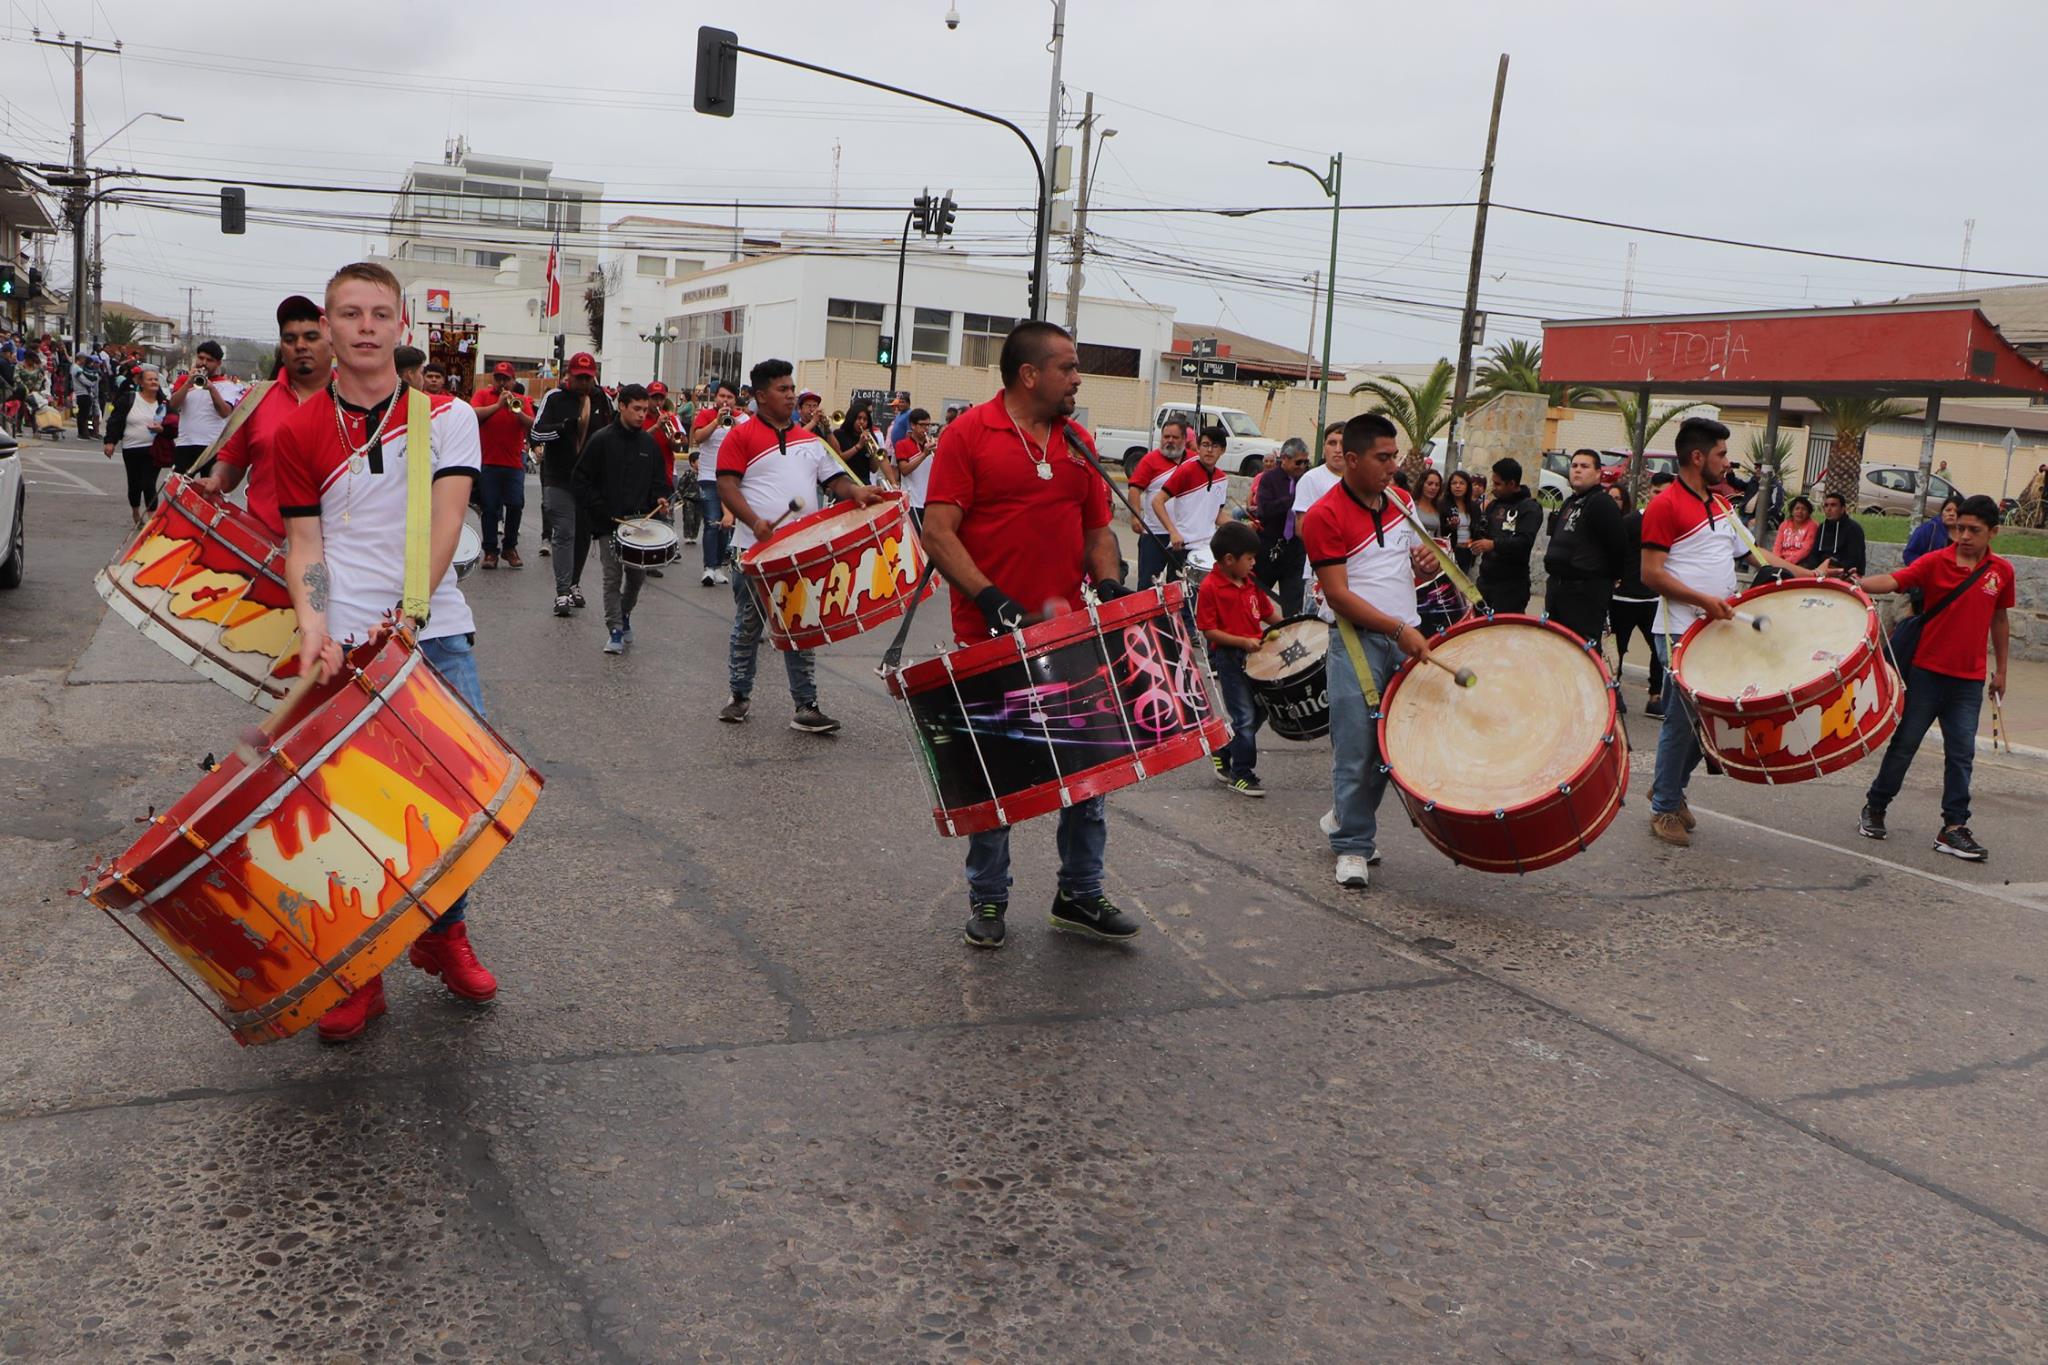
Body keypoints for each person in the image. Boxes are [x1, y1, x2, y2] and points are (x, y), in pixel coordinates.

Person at [271, 261, 495, 1043]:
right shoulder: (295, 429)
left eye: (378, 313)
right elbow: (306, 545)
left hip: (433, 634)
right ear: (325, 330)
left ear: (402, 327)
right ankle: (357, 972)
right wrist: (316, 629)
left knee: (461, 805)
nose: (364, 326)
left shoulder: (448, 416)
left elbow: (446, 522)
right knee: (347, 817)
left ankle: (443, 932)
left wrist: (413, 612)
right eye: (348, 313)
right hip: (346, 644)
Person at [921, 322, 1139, 949]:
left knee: (1088, 774)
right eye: (1068, 367)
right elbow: (938, 531)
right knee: (996, 778)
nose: (1077, 379)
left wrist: (1110, 581)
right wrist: (991, 599)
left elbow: (1098, 528)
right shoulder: (969, 435)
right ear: (1030, 375)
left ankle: (1080, 893)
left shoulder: (1077, 440)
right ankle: (988, 901)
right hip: (988, 641)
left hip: (1068, 633)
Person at [1639, 417, 1830, 848]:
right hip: (1678, 629)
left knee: (1709, 722)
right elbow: (1650, 574)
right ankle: (1665, 805)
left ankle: (1668, 787)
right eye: (1722, 454)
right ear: (1697, 456)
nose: (1727, 463)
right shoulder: (1665, 506)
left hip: (1718, 631)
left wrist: (1813, 576)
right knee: (1683, 720)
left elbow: (1758, 554)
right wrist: (1703, 602)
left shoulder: (1723, 505)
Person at [1299, 413, 1439, 889]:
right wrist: (1398, 629)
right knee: (1357, 748)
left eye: (1394, 455)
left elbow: (1416, 572)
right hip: (1356, 642)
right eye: (1383, 458)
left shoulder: (1400, 501)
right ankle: (1354, 845)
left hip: (1405, 635)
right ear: (1352, 460)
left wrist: (1425, 565)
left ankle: (1345, 815)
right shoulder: (1324, 516)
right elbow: (1337, 595)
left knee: (1392, 749)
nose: (1393, 466)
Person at [716, 359, 881, 733]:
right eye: (783, 389)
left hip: (800, 553)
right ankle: (739, 695)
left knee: (800, 627)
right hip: (754, 552)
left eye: (792, 388)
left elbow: (836, 479)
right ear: (761, 395)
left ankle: (806, 705)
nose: (791, 395)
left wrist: (858, 492)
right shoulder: (740, 436)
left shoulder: (812, 442)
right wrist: (754, 521)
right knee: (748, 626)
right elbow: (727, 485)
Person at [1855, 495, 2011, 860]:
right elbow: (1895, 580)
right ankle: (1875, 807)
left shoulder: (2001, 571)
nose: (1964, 536)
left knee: (1961, 755)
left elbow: (2000, 619)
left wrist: (2001, 671)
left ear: (1993, 532)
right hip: (1926, 674)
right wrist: (1857, 583)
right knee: (1905, 745)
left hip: (1968, 682)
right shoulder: (1935, 562)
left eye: (1974, 530)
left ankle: (1953, 827)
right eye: (1959, 528)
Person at [193, 295, 333, 541]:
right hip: (264, 549)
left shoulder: (355, 402)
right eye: (290, 339)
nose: (300, 345)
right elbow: (233, 461)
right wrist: (217, 479)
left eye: (311, 337)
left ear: (331, 342)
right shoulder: (258, 397)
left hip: (336, 552)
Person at [573, 383, 672, 654]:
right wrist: (599, 509)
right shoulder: (601, 440)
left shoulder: (648, 444)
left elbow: (659, 481)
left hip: (641, 524)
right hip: (609, 523)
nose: (642, 415)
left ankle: (624, 614)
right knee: (611, 577)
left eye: (645, 409)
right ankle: (615, 628)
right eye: (637, 409)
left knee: (637, 578)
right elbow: (580, 480)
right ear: (622, 406)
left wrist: (662, 498)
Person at [1198, 518, 1281, 798]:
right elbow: (1208, 630)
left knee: (1259, 711)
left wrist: (1293, 628)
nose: (1253, 564)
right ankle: (1241, 774)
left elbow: (1269, 613)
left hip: (1257, 658)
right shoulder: (1210, 587)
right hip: (1231, 659)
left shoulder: (1251, 583)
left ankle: (1224, 751)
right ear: (1229, 559)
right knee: (1244, 717)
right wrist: (1242, 641)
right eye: (1249, 558)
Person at [530, 351, 615, 615]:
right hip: (559, 476)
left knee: (582, 534)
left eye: (588, 378)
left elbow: (613, 433)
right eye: (579, 378)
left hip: (589, 480)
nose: (584, 383)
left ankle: (575, 583)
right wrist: (563, 428)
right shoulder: (554, 398)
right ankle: (563, 591)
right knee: (564, 532)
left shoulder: (603, 399)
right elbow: (535, 431)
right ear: (568, 374)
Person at [1542, 449, 1629, 646]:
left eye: (1584, 466)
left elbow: (1618, 545)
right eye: (1574, 466)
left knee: (1580, 652)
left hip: (1584, 595)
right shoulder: (1570, 502)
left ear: (1598, 473)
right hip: (1558, 591)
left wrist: (1612, 576)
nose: (1577, 471)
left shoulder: (1601, 503)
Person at [1606, 483, 1664, 717]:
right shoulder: (1630, 521)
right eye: (1657, 491)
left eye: (1666, 492)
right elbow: (1613, 550)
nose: (1660, 496)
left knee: (1659, 650)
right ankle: (1612, 691)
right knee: (1616, 648)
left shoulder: (1671, 524)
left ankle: (1655, 696)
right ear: (1649, 493)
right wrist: (1614, 577)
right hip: (1623, 598)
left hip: (1654, 599)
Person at [470, 361, 532, 570]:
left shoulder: (522, 400)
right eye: (498, 378)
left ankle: (509, 547)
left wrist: (517, 412)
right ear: (493, 379)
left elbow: (532, 425)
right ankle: (490, 552)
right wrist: (498, 406)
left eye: (506, 378)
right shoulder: (483, 395)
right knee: (489, 508)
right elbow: (472, 415)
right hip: (488, 462)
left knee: (515, 505)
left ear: (513, 381)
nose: (502, 382)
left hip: (514, 464)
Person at [689, 378, 745, 586]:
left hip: (733, 479)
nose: (725, 400)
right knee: (712, 522)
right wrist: (716, 422)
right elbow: (698, 438)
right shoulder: (706, 415)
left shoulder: (744, 418)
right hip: (709, 476)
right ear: (716, 397)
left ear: (735, 399)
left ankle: (720, 566)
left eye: (730, 397)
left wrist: (734, 422)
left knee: (726, 525)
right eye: (722, 396)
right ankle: (708, 568)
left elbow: (747, 442)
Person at [1153, 423, 1232, 568]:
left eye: (1214, 446)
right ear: (1198, 446)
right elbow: (1157, 501)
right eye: (1205, 444)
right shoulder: (1186, 470)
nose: (1209, 450)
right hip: (1183, 546)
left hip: (1208, 550)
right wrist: (1173, 532)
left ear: (1222, 450)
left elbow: (1217, 515)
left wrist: (1241, 528)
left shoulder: (1222, 479)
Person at [1291, 421, 1348, 619]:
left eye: (1343, 443)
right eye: (1332, 443)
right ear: (1323, 447)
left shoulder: (1358, 480)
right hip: (1319, 572)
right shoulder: (1311, 479)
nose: (1338, 450)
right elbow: (1301, 528)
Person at [1124, 417, 1190, 588]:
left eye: (1174, 437)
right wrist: (1135, 517)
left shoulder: (1193, 461)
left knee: (1180, 587)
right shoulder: (1150, 460)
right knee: (1148, 585)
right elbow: (1134, 490)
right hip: (1154, 534)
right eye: (1166, 436)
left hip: (1184, 535)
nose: (1169, 441)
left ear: (1184, 439)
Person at [1469, 457, 1541, 613]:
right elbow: (1481, 534)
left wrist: (1494, 544)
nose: (1493, 488)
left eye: (1498, 484)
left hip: (1511, 587)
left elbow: (1524, 541)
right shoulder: (1493, 505)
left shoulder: (1529, 508)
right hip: (1485, 581)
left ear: (1512, 484)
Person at [102, 364, 169, 526]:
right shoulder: (129, 399)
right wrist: (110, 442)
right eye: (150, 379)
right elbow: (115, 421)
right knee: (135, 484)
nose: (154, 382)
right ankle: (135, 511)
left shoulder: (164, 403)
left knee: (148, 483)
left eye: (156, 379)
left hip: (153, 449)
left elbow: (173, 426)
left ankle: (152, 519)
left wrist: (162, 429)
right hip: (131, 448)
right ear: (141, 382)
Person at [1251, 437, 1310, 616]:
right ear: (1284, 458)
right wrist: (1293, 501)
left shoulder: (1307, 480)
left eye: (1306, 462)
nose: (1302, 466)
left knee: (1293, 605)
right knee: (1254, 595)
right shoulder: (1269, 479)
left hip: (1296, 549)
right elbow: (1264, 510)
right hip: (1270, 545)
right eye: (1298, 462)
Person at [169, 340, 245, 471]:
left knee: (209, 489)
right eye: (201, 358)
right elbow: (173, 405)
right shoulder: (184, 380)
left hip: (213, 446)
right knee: (178, 489)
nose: (203, 363)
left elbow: (225, 412)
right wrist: (188, 383)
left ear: (218, 363)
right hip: (185, 443)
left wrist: (211, 388)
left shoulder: (228, 386)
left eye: (209, 360)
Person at [1801, 491, 1866, 578]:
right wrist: (1814, 569)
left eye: (1833, 505)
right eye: (1826, 505)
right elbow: (1814, 553)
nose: (1829, 509)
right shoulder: (1822, 527)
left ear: (1843, 509)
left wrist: (1833, 570)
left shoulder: (1853, 528)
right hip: (1822, 570)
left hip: (1845, 571)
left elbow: (1853, 559)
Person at [890, 406, 934, 526]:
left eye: (928, 425)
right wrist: (924, 454)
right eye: (922, 425)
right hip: (912, 502)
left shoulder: (931, 444)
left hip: (929, 502)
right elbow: (904, 470)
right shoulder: (902, 445)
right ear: (913, 425)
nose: (926, 429)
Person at [1445, 468, 1484, 574]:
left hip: (1467, 553)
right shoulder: (1443, 505)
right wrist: (1450, 525)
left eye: (1462, 483)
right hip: (1448, 552)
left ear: (1467, 486)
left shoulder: (1474, 507)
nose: (1458, 486)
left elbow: (1477, 529)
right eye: (1454, 483)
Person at [1903, 494, 1960, 566]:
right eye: (1948, 510)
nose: (1951, 514)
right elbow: (1909, 554)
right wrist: (1927, 568)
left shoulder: (1967, 534)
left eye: (1956, 511)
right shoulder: (1928, 529)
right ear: (1942, 512)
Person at [831, 400, 879, 484]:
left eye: (865, 419)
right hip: (844, 483)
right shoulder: (839, 434)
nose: (862, 422)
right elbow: (839, 459)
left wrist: (873, 454)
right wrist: (858, 446)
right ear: (852, 418)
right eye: (859, 418)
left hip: (864, 483)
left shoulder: (870, 437)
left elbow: (874, 469)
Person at [1770, 495, 1818, 570]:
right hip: (1781, 560)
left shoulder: (1812, 526)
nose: (1800, 512)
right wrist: (1777, 561)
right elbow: (1777, 546)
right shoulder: (1784, 524)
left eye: (1804, 509)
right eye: (1797, 508)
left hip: (1801, 562)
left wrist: (1786, 563)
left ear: (1809, 512)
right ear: (1792, 511)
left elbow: (1806, 549)